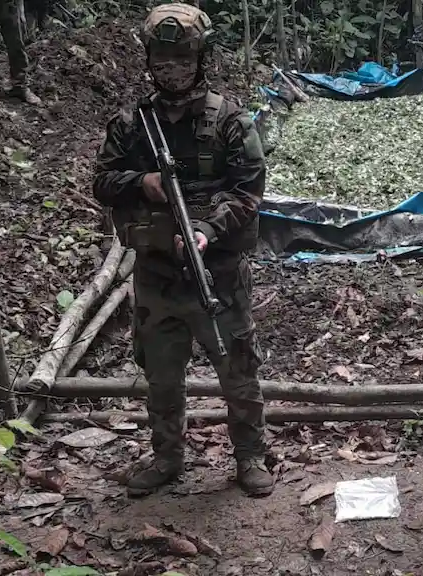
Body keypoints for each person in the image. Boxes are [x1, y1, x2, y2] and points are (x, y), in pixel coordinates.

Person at [90, 2, 272, 498]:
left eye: (182, 62)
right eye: (163, 62)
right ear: (149, 61)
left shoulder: (230, 119)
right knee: (162, 377)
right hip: (155, 273)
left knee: (237, 371)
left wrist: (207, 230)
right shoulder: (132, 122)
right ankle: (167, 457)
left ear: (200, 60)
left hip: (217, 272)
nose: (172, 72)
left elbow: (249, 191)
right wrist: (143, 181)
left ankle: (250, 457)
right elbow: (102, 182)